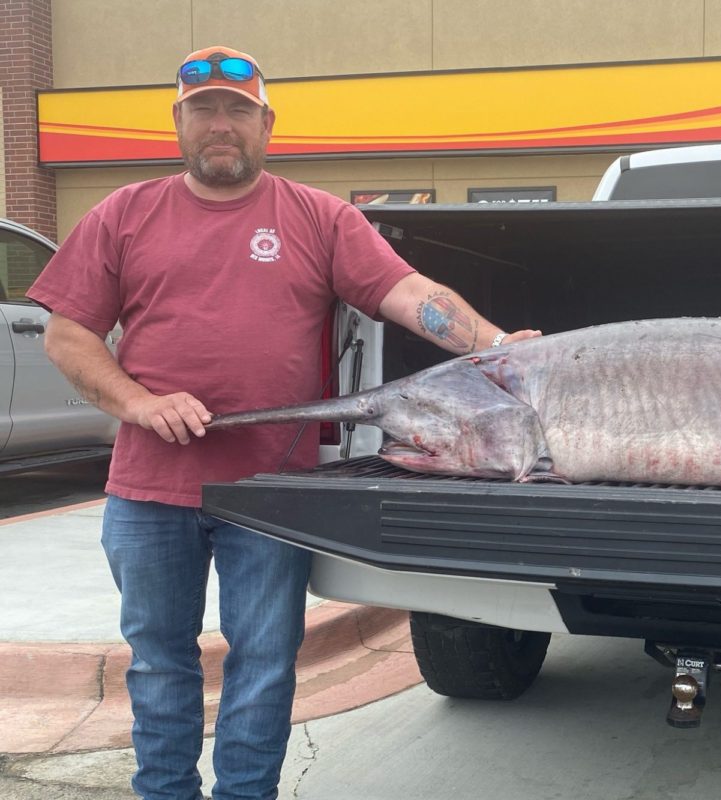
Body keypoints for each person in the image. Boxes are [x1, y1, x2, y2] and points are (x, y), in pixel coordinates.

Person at [28, 45, 540, 800]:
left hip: (271, 492)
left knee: (264, 660)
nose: (221, 125)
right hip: (148, 491)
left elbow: (406, 292)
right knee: (159, 659)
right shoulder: (123, 215)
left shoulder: (318, 217)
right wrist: (139, 404)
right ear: (179, 123)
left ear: (267, 124)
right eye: (204, 110)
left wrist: (498, 349)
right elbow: (66, 335)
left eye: (238, 110)